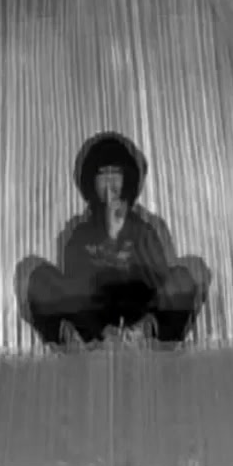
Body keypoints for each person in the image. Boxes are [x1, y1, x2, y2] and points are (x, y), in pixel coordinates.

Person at [16, 131, 211, 349]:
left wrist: (123, 241)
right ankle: (85, 341)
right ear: (92, 181)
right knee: (39, 279)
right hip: (93, 324)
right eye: (103, 174)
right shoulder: (79, 232)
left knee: (186, 276)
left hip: (139, 320)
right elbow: (75, 287)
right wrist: (109, 239)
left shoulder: (145, 229)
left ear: (127, 178)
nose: (110, 181)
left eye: (116, 172)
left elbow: (159, 280)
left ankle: (146, 337)